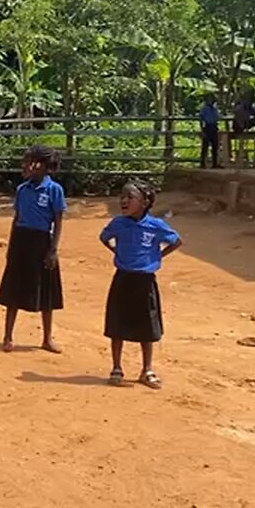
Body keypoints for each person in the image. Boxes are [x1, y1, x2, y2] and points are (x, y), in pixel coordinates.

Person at [101, 180, 182, 389]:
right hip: (123, 278)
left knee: (147, 326)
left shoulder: (155, 226)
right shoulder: (118, 223)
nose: (124, 201)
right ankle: (116, 368)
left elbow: (176, 241)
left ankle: (146, 369)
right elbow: (105, 238)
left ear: (145, 202)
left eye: (130, 197)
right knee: (117, 323)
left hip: (145, 281)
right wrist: (117, 252)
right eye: (122, 197)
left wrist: (157, 257)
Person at [0, 144, 66, 354]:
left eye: (30, 162)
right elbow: (16, 218)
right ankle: (8, 336)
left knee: (46, 290)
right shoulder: (22, 189)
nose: (26, 166)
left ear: (43, 166)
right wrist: (11, 246)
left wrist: (53, 250)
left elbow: (58, 220)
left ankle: (46, 338)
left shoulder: (54, 190)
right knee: (14, 288)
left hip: (42, 241)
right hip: (21, 239)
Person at [199, 98, 220, 169]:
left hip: (214, 127)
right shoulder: (205, 108)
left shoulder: (214, 109)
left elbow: (217, 117)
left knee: (215, 146)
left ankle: (215, 163)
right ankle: (202, 163)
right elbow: (201, 119)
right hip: (207, 127)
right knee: (205, 146)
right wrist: (202, 130)